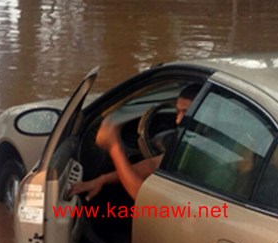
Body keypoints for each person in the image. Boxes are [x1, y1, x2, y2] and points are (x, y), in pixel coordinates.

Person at [70, 83, 201, 201]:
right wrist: (102, 180)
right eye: (177, 112)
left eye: (186, 112)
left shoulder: (200, 152)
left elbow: (140, 198)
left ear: (204, 112)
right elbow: (151, 165)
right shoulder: (191, 143)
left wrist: (114, 147)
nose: (178, 120)